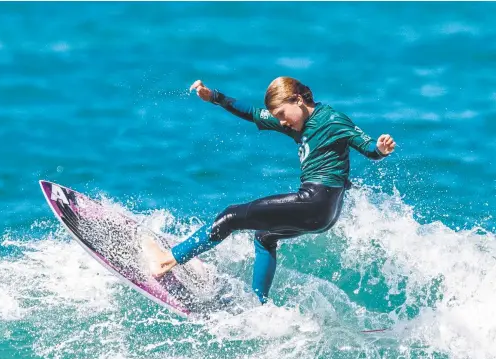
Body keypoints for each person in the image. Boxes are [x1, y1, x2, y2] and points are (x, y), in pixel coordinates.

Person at [146, 77, 396, 303]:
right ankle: (259, 306)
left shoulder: (332, 120)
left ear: (298, 100)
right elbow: (253, 113)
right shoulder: (295, 123)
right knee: (265, 237)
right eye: (278, 117)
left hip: (316, 200)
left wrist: (381, 149)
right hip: (325, 214)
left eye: (283, 114)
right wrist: (214, 97)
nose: (282, 122)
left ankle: (166, 260)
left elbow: (367, 147)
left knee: (231, 216)